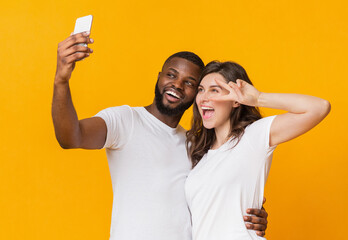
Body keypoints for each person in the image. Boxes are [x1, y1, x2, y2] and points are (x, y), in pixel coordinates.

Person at [52, 32, 268, 240]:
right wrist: (61, 81)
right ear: (159, 76)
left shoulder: (197, 144)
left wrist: (249, 213)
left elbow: (220, 193)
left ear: (198, 94)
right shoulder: (125, 120)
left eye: (190, 83)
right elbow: (71, 137)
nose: (177, 84)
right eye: (171, 75)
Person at [185, 61, 331, 240]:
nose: (203, 97)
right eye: (201, 89)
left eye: (214, 90)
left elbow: (319, 107)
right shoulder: (200, 156)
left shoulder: (253, 136)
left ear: (236, 100)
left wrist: (259, 98)